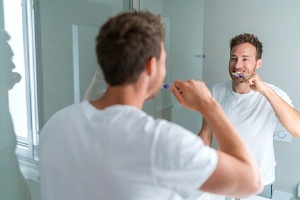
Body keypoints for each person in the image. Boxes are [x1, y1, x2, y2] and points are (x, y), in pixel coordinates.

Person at [39, 11, 263, 200]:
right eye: (164, 61)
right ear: (151, 66)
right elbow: (251, 181)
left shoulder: (56, 124)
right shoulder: (159, 141)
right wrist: (209, 106)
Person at [199, 33, 300, 199]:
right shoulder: (216, 91)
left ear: (258, 63)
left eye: (245, 59)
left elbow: (298, 129)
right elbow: (206, 135)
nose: (238, 65)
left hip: (258, 183)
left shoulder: (273, 93)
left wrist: (265, 90)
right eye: (233, 58)